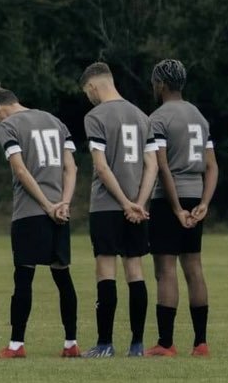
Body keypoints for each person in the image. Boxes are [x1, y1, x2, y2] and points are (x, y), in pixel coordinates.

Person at [0, 87, 81, 359]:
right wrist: (64, 203)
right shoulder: (55, 121)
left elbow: (20, 169)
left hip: (30, 212)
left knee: (24, 277)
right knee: (63, 277)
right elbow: (71, 168)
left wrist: (47, 206)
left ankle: (16, 345)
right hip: (60, 211)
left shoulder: (8, 125)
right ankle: (71, 343)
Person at [79, 62, 158, 358]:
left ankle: (105, 344)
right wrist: (139, 202)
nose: (89, 97)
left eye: (87, 92)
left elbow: (101, 166)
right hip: (138, 207)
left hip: (107, 205)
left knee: (106, 270)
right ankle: (137, 344)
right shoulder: (142, 116)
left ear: (93, 86)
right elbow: (152, 166)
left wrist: (124, 203)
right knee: (135, 270)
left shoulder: (95, 116)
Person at [145, 59, 216, 357]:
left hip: (168, 199)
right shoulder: (199, 116)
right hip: (196, 195)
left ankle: (166, 343)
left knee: (165, 270)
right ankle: (201, 343)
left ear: (161, 84)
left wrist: (175, 208)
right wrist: (204, 203)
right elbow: (212, 167)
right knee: (194, 268)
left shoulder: (158, 118)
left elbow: (162, 167)